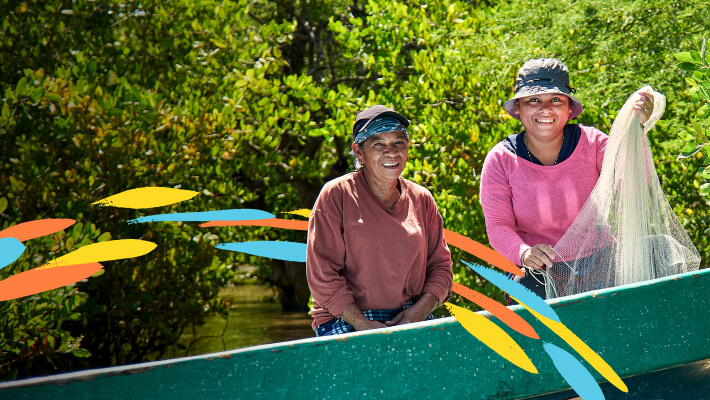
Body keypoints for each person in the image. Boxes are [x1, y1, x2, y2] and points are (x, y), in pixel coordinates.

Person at [479, 58, 654, 302]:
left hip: (600, 263)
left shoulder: (593, 142)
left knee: (658, 250)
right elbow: (498, 226)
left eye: (555, 100)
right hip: (539, 273)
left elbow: (632, 184)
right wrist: (524, 253)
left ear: (569, 108)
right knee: (529, 294)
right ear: (518, 108)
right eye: (533, 100)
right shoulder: (501, 159)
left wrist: (638, 130)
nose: (545, 109)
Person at [306, 105, 453, 336]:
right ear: (359, 152)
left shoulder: (422, 199)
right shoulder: (336, 195)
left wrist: (417, 313)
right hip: (347, 318)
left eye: (398, 143)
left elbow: (441, 269)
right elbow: (323, 276)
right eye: (378, 145)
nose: (392, 153)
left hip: (411, 315)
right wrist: (364, 326)